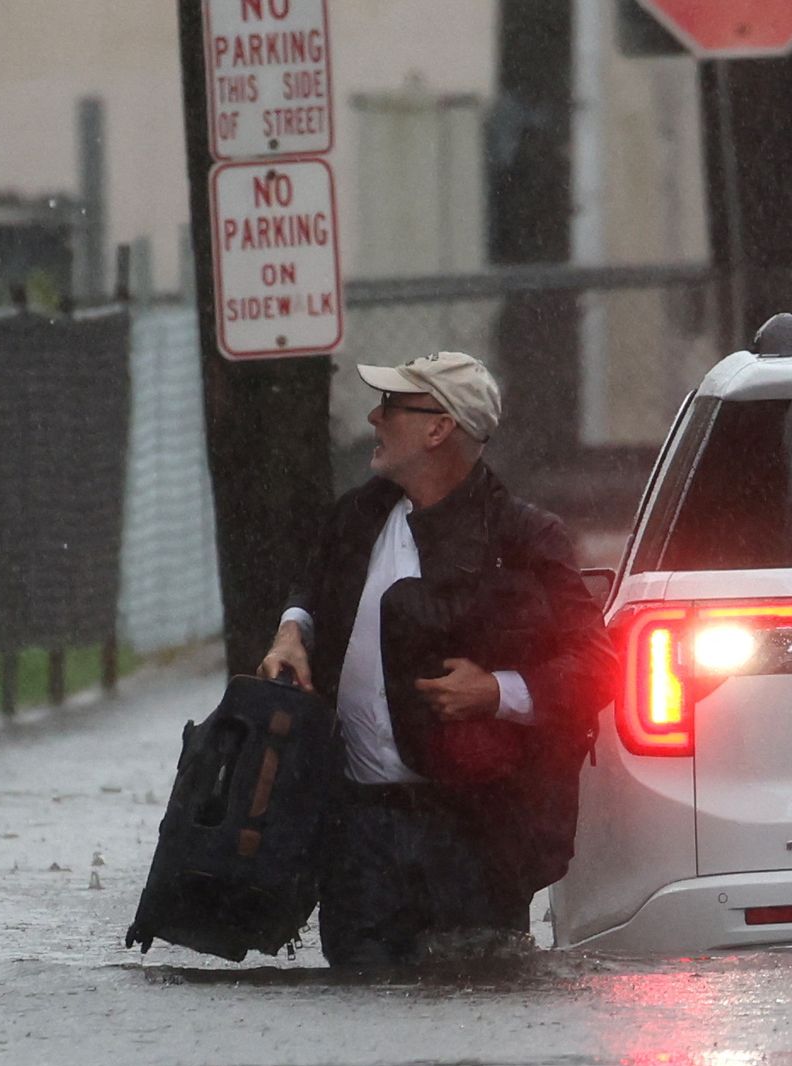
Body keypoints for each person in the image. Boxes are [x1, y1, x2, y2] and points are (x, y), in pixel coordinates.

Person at [259, 351, 616, 967]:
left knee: (475, 1008)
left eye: (392, 406)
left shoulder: (524, 538)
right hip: (359, 832)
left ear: (437, 427)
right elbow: (312, 592)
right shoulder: (357, 518)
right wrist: (292, 632)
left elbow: (600, 663)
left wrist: (497, 691)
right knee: (362, 1016)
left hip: (476, 833)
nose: (374, 417)